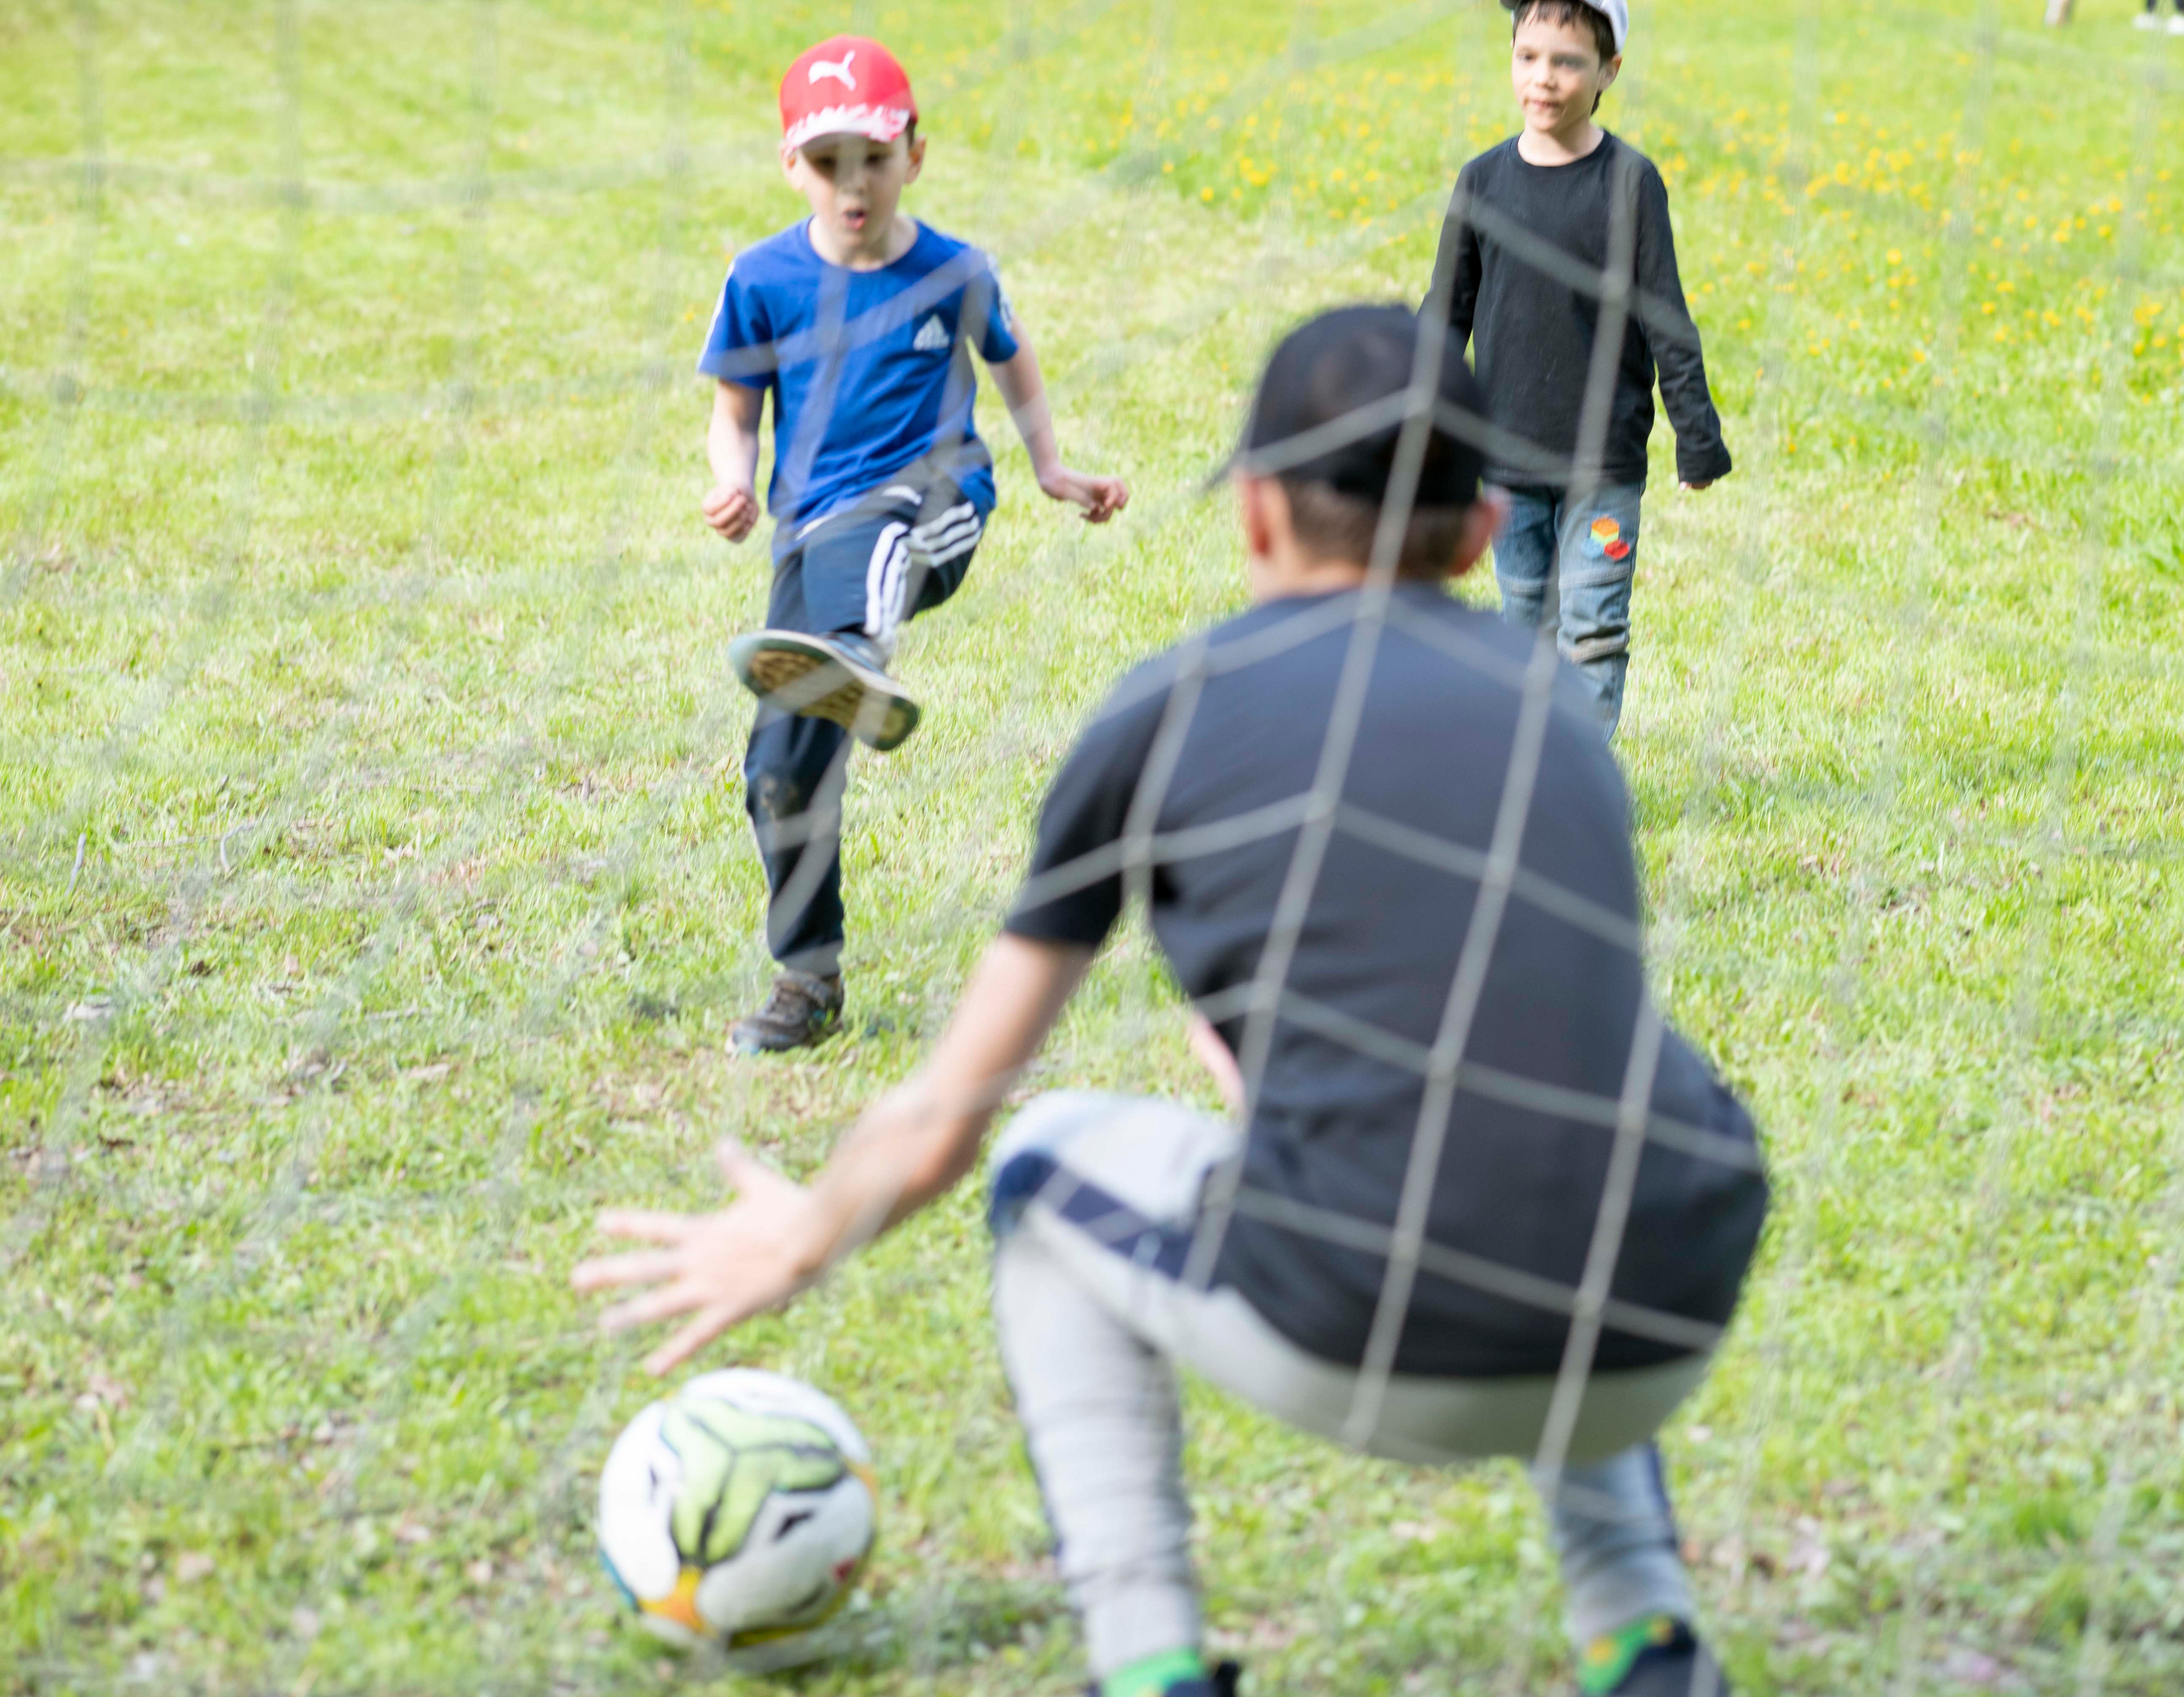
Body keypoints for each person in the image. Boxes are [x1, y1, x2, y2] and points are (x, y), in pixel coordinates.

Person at [575, 306, 1770, 1697]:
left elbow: (952, 1111)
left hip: (1388, 1327)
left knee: (1037, 1163)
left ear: (1256, 513)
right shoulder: (1558, 706)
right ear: (1479, 528)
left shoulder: (1171, 707)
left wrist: (801, 1239)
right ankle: (1643, 1633)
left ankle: (1150, 1664)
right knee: (1556, 1131)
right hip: (1673, 1299)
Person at [698, 35, 1129, 1055]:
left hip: (938, 496)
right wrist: (727, 479)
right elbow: (734, 410)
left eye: (874, 160)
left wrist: (1051, 469)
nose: (853, 185)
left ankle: (864, 646)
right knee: (778, 765)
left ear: (915, 158)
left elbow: (1015, 370)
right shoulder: (760, 277)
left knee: (888, 536)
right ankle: (808, 977)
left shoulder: (953, 271)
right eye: (826, 162)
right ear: (789, 166)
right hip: (810, 531)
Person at [1425, 0, 1732, 738]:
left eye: (1567, 61)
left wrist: (1698, 434)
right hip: (1504, 458)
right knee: (1522, 627)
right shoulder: (1482, 182)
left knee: (1593, 630)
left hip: (1604, 463)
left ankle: (1581, 783)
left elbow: (1666, 316)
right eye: (1528, 56)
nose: (1544, 77)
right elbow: (1444, 314)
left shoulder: (1630, 182)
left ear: (1608, 72)